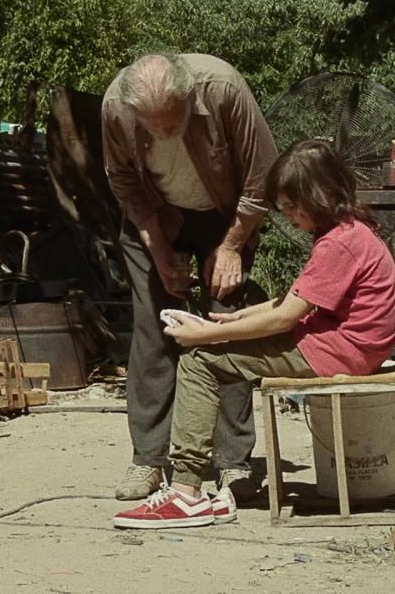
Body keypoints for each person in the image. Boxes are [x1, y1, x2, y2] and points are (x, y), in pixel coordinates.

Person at [111, 139, 395, 529]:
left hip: (338, 351)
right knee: (216, 344)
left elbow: (285, 318)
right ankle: (193, 483)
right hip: (349, 344)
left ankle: (185, 492)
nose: (286, 216)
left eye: (289, 207)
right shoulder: (351, 230)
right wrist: (230, 322)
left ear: (314, 197)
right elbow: (296, 298)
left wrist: (205, 338)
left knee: (199, 361)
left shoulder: (339, 245)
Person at [102, 53, 279, 502]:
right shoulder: (116, 107)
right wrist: (159, 250)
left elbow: (263, 177)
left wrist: (233, 246)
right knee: (154, 331)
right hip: (155, 217)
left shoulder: (224, 89)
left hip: (224, 215)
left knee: (225, 329)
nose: (162, 132)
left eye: (171, 121)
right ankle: (148, 459)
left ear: (188, 96)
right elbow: (123, 182)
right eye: (152, 126)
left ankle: (233, 463)